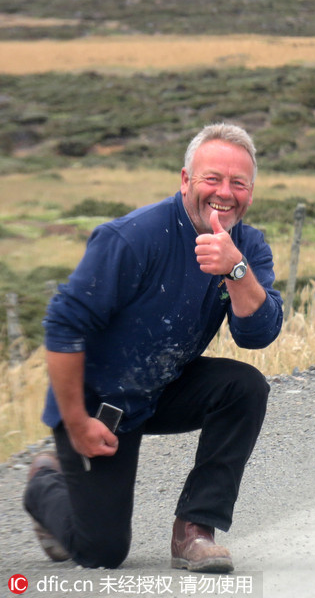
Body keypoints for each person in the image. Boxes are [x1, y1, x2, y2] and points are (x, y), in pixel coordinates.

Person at [23, 122, 283, 573]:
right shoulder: (133, 237)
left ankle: (194, 530)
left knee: (244, 387)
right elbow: (63, 326)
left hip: (161, 389)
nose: (225, 193)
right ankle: (43, 483)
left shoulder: (247, 247)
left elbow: (256, 335)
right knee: (101, 550)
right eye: (212, 179)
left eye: (238, 183)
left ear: (251, 193)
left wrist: (236, 270)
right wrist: (76, 421)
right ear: (185, 181)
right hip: (98, 408)